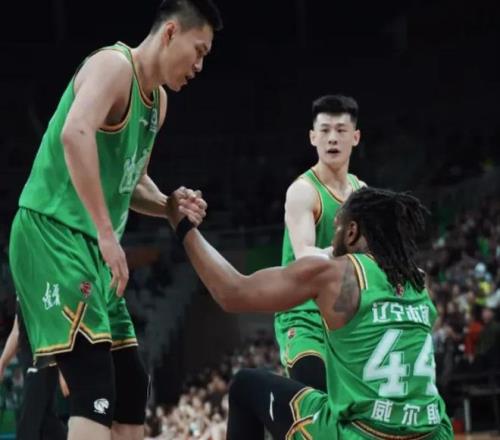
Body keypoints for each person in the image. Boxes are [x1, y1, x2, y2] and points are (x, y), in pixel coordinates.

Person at [8, 0, 221, 438]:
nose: (200, 66)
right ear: (170, 32)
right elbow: (75, 133)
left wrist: (168, 205)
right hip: (52, 231)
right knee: (92, 383)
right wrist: (108, 235)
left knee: (131, 384)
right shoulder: (114, 66)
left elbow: (131, 183)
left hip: (90, 246)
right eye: (198, 51)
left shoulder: (158, 104)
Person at [170, 187, 453, 439]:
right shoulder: (419, 281)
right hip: (431, 433)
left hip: (363, 435)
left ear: (352, 232)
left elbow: (231, 292)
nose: (332, 241)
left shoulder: (335, 275)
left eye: (337, 229)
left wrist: (182, 226)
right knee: (321, 386)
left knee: (245, 386)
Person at [275, 94, 365, 391]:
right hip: (304, 316)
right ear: (313, 137)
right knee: (316, 399)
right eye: (324, 130)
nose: (332, 138)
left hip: (347, 318)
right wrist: (349, 255)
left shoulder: (362, 192)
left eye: (341, 130)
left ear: (355, 137)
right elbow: (305, 255)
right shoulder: (302, 191)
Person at [0, 303, 67, 439]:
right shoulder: (21, 292)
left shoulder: (44, 290)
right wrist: (1, 364)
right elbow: (16, 331)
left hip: (43, 360)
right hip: (29, 361)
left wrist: (63, 369)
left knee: (29, 420)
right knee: (47, 422)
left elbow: (59, 326)